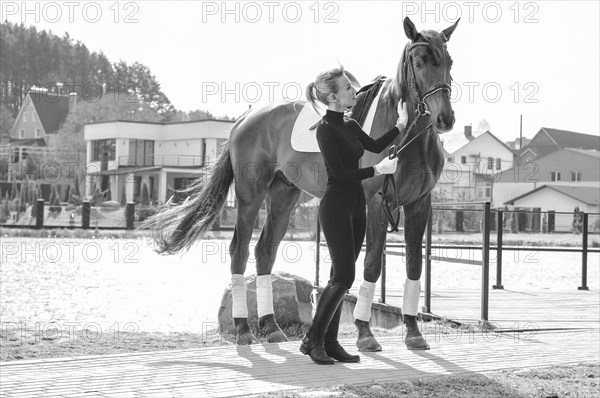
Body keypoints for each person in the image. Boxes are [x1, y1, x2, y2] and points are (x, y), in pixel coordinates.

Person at [300, 66, 408, 365]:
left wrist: (401, 124)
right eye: (348, 88)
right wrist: (377, 169)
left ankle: (331, 343)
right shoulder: (325, 129)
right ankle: (313, 339)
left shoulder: (350, 125)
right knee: (344, 275)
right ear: (333, 97)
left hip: (355, 207)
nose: (354, 91)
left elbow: (374, 145)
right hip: (334, 207)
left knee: (341, 277)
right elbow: (341, 173)